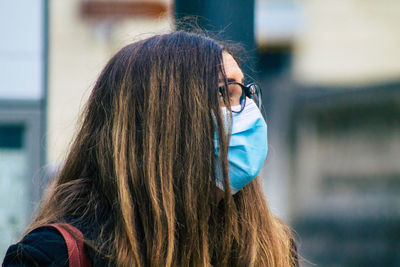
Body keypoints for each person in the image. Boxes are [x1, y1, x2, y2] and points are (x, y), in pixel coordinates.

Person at [2, 31, 298, 266]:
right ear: (160, 120)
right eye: (225, 94)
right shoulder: (51, 256)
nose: (247, 113)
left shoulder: (270, 246)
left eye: (243, 93)